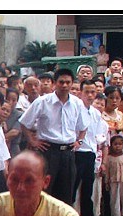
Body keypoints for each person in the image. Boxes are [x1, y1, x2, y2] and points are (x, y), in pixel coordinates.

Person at [19, 68, 88, 205]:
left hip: (68, 154)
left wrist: (79, 141)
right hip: (48, 152)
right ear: (54, 83)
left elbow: (83, 126)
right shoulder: (43, 102)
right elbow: (24, 123)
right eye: (61, 82)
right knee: (44, 192)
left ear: (72, 83)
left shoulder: (77, 103)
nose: (64, 85)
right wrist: (33, 141)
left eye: (68, 82)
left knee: (66, 194)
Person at [74, 80, 108, 216]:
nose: (89, 95)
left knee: (87, 192)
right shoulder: (75, 108)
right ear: (80, 92)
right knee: (71, 191)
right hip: (75, 153)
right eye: (86, 91)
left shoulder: (95, 113)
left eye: (92, 92)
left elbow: (99, 136)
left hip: (90, 154)